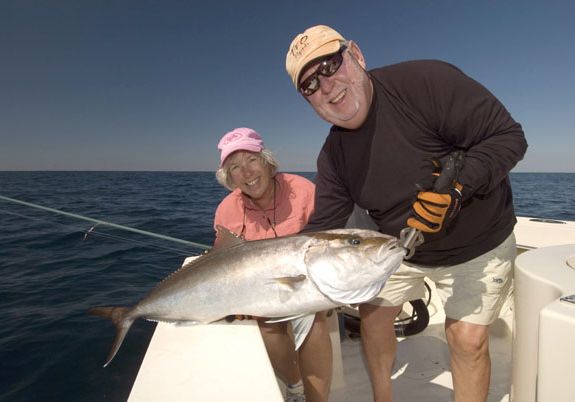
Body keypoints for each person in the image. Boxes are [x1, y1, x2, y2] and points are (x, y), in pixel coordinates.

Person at [285, 25, 527, 402]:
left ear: (357, 56)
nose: (327, 86)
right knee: (374, 317)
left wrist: (459, 190)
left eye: (330, 65)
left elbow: (509, 136)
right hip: (400, 249)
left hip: (480, 244)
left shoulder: (425, 82)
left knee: (466, 339)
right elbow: (322, 233)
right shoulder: (333, 156)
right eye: (310, 85)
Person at [213, 127, 333, 402]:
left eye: (252, 160)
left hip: (308, 283)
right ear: (229, 178)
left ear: (267, 162)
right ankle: (295, 387)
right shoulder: (226, 210)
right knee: (266, 324)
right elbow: (224, 262)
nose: (247, 172)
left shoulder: (303, 191)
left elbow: (327, 242)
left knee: (312, 319)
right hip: (259, 289)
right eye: (235, 167)